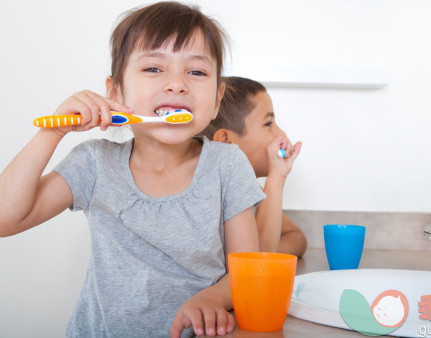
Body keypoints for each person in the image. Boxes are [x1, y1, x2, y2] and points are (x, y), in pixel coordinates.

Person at [0, 3, 265, 337]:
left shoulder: (227, 165)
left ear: (216, 100)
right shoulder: (93, 164)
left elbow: (247, 267)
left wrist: (212, 297)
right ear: (115, 93)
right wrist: (51, 133)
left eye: (196, 72)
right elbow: (4, 219)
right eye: (154, 68)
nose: (177, 84)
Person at [201, 76, 307, 258]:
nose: (281, 134)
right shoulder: (208, 193)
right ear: (225, 141)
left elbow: (296, 238)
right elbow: (255, 264)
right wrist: (276, 178)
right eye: (268, 124)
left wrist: (267, 249)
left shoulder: (252, 191)